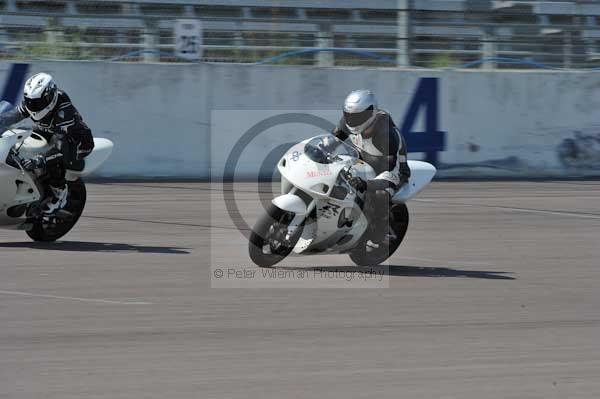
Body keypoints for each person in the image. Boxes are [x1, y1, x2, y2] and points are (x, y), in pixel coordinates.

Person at [0, 73, 94, 214]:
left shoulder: (63, 112)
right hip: (51, 131)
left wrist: (40, 160)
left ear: (50, 97)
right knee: (23, 137)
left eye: (37, 102)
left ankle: (59, 194)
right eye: (30, 101)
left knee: (54, 161)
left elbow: (60, 148)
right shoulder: (33, 102)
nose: (33, 106)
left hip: (77, 142)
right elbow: (14, 115)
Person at [332, 89, 411, 250]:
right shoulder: (348, 121)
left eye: (358, 117)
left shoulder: (386, 135)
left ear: (372, 114)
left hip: (392, 170)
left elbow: (392, 172)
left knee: (380, 194)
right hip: (364, 162)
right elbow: (332, 141)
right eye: (349, 115)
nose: (352, 120)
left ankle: (381, 235)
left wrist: (368, 184)